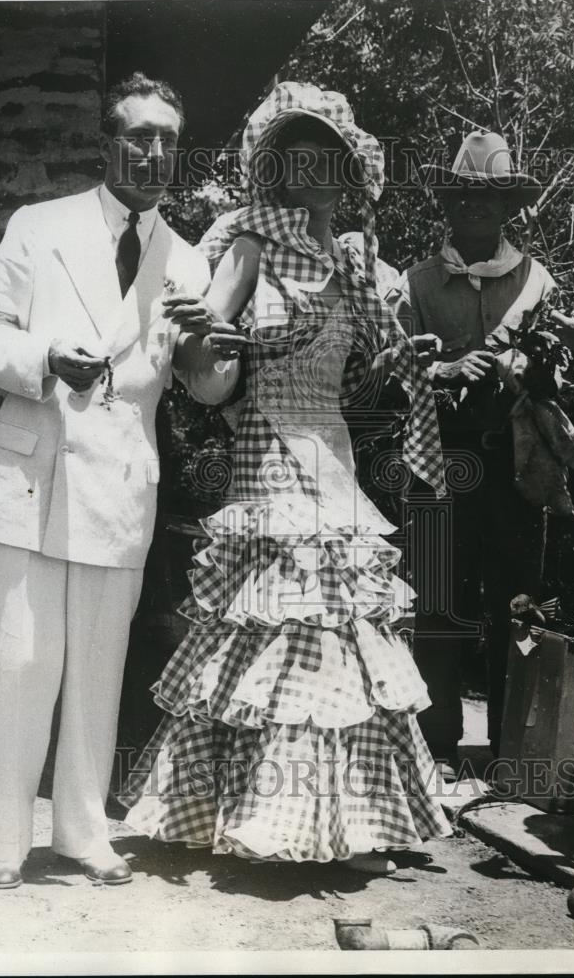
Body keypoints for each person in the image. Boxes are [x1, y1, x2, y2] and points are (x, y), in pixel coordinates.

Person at [119, 82, 452, 873]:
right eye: (295, 156)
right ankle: (262, 821)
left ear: (348, 169)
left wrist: (403, 362)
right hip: (265, 451)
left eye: (326, 156)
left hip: (331, 458)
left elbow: (365, 384)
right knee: (274, 636)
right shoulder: (245, 242)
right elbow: (204, 376)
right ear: (272, 168)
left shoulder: (359, 261)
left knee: (340, 637)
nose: (313, 170)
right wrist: (211, 337)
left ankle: (350, 822)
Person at [0, 72, 239, 889]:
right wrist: (44, 359)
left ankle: (82, 831)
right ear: (106, 142)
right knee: (16, 662)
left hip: (119, 483)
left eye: (168, 142)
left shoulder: (187, 260)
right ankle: (7, 842)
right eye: (139, 136)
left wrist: (208, 345)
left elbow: (206, 386)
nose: (154, 155)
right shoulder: (39, 227)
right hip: (33, 478)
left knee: (96, 668)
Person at [385, 130, 555, 768]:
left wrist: (524, 368)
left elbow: (559, 376)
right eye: (463, 195)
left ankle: (511, 748)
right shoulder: (418, 283)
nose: (476, 206)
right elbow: (388, 372)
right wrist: (445, 371)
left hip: (516, 463)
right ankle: (436, 747)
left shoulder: (536, 281)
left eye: (491, 196)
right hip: (440, 461)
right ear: (448, 204)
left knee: (518, 602)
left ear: (510, 204)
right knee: (436, 601)